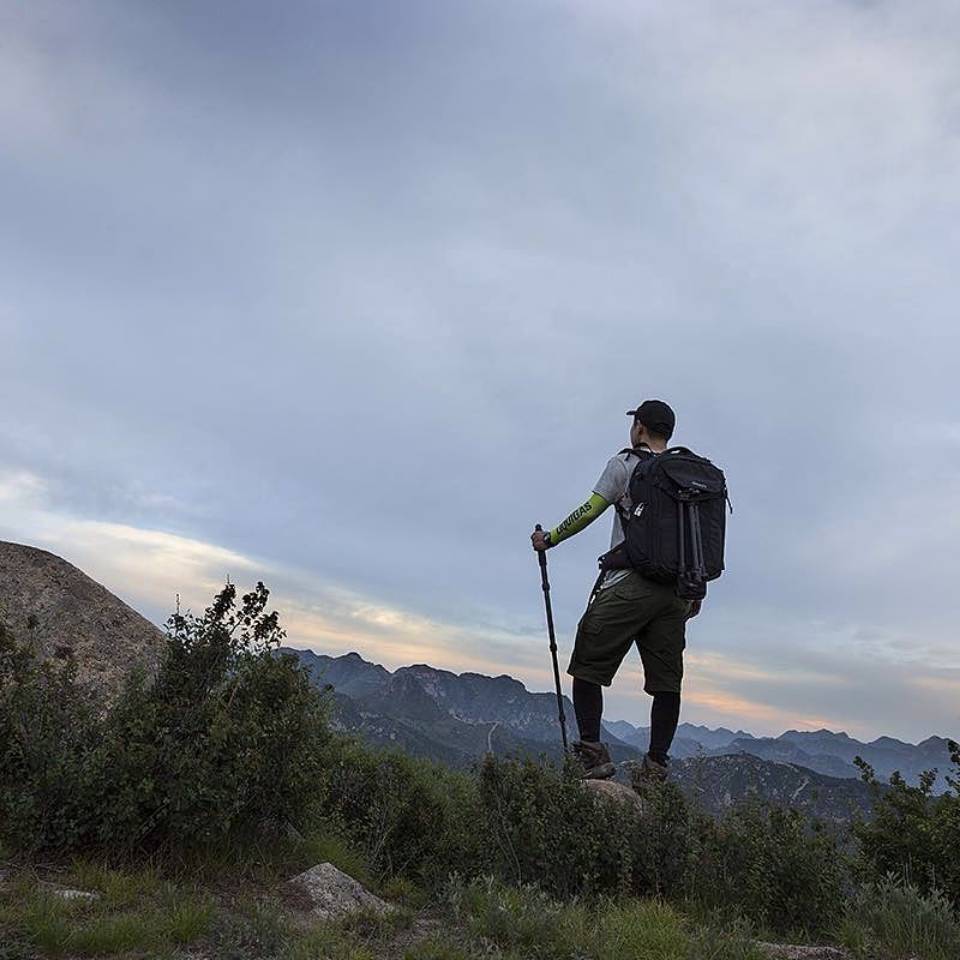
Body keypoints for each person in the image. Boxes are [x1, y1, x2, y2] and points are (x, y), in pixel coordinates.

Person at [530, 399, 699, 781]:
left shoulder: (625, 465)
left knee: (588, 661)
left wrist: (549, 539)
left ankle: (593, 754)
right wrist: (695, 590)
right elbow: (699, 540)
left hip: (630, 583)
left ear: (639, 427)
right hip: (677, 594)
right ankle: (655, 768)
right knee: (667, 684)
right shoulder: (689, 477)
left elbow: (590, 510)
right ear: (668, 433)